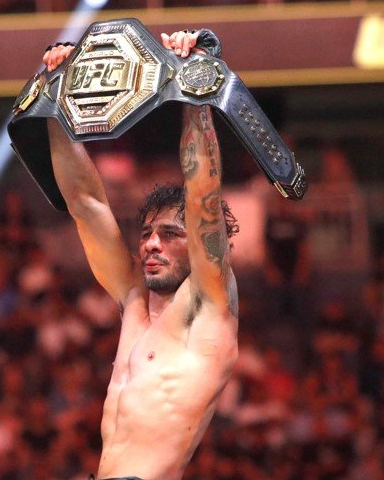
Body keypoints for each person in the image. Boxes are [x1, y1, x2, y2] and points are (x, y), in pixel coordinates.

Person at [42, 29, 240, 479]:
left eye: (170, 234)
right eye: (148, 233)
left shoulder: (209, 303)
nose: (151, 243)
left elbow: (203, 191)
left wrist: (195, 90)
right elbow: (85, 203)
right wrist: (56, 99)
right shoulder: (134, 297)